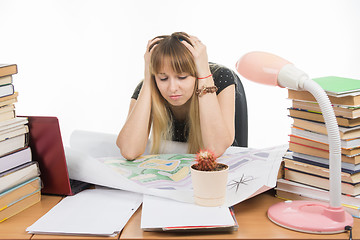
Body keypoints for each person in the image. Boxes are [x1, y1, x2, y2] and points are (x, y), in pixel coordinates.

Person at [117, 32, 237, 160]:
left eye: (182, 77)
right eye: (163, 78)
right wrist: (148, 79)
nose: (172, 88)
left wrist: (204, 75)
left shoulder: (220, 78)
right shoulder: (150, 85)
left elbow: (215, 149)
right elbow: (129, 151)